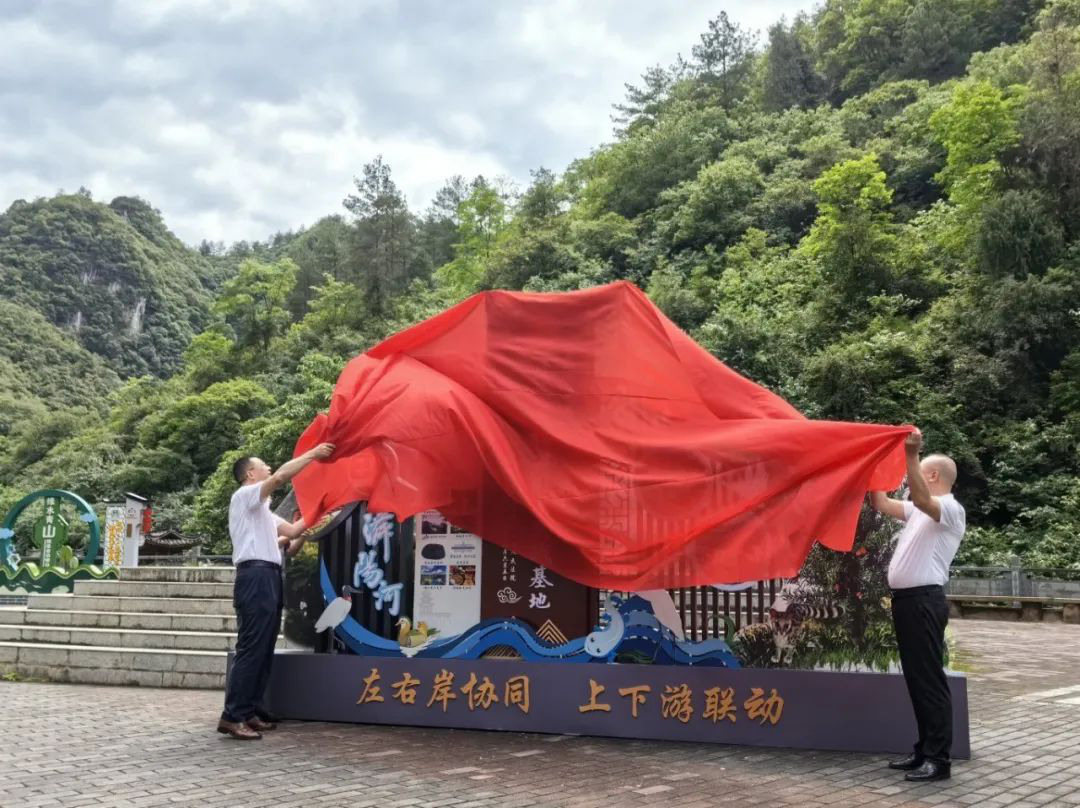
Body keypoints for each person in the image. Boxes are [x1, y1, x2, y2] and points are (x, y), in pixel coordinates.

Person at [216, 443, 335, 740]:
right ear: (250, 474)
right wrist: (313, 454)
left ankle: (250, 710)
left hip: (269, 576)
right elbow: (281, 477)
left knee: (264, 646)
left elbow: (293, 534)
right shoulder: (244, 496)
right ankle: (232, 716)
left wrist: (323, 508)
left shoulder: (264, 514)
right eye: (263, 466)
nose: (269, 468)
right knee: (252, 646)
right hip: (254, 576)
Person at [871, 428, 965, 782]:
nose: (909, 479)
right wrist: (872, 467)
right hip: (908, 602)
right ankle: (924, 749)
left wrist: (911, 453)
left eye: (917, 471)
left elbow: (925, 500)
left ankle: (938, 759)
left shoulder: (950, 508)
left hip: (925, 601)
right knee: (916, 679)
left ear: (933, 475)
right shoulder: (918, 511)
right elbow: (882, 504)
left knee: (929, 680)